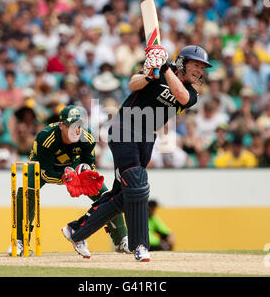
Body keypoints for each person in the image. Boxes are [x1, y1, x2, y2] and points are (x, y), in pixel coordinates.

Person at [61, 45, 212, 262]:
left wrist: (165, 67)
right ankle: (140, 245)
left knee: (124, 195)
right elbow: (133, 84)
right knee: (138, 183)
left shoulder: (192, 92)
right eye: (196, 65)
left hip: (147, 137)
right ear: (183, 62)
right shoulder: (157, 72)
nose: (200, 71)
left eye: (202, 68)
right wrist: (152, 72)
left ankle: (76, 231)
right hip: (124, 127)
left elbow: (180, 96)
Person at [6, 105, 130, 257]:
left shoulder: (87, 137)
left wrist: (84, 173)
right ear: (61, 126)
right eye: (71, 125)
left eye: (79, 125)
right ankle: (19, 241)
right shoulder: (46, 137)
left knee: (106, 194)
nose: (76, 130)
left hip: (73, 166)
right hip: (42, 166)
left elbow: (89, 165)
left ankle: (121, 239)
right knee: (26, 192)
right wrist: (66, 179)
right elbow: (45, 173)